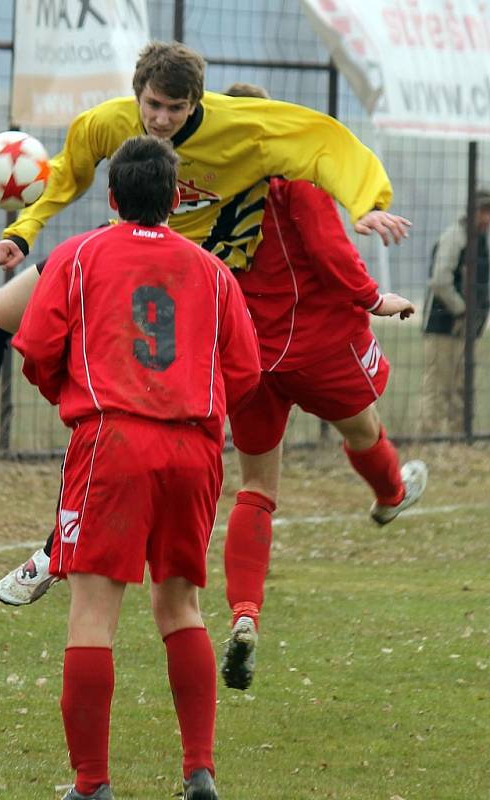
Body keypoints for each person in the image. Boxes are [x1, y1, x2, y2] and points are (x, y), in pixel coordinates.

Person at [0, 40, 410, 468]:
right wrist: (24, 231)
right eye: (152, 105)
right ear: (138, 94)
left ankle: (64, 543)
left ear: (196, 103)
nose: (160, 120)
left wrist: (365, 203)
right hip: (117, 251)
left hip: (186, 277)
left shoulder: (247, 129)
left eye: (175, 109)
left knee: (129, 412)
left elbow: (329, 144)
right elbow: (67, 173)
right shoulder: (108, 121)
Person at [12, 134, 261, 800]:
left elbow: (34, 348)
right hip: (194, 449)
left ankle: (92, 784)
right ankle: (199, 771)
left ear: (113, 196)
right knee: (182, 605)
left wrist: (77, 394)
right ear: (176, 200)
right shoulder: (212, 270)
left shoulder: (82, 253)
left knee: (93, 612)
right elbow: (243, 370)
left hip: (113, 442)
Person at [217, 82, 428, 691]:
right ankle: (391, 495)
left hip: (247, 355)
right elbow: (331, 251)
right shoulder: (292, 180)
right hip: (316, 344)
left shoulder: (204, 191)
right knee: (363, 428)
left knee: (255, 487)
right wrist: (374, 297)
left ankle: (245, 614)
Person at [418, 192, 490, 436]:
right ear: (471, 211)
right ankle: (430, 438)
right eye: (483, 210)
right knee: (438, 386)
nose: (486, 217)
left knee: (461, 387)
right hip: (442, 324)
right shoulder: (455, 237)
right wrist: (462, 310)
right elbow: (439, 281)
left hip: (469, 328)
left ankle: (458, 438)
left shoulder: (482, 241)